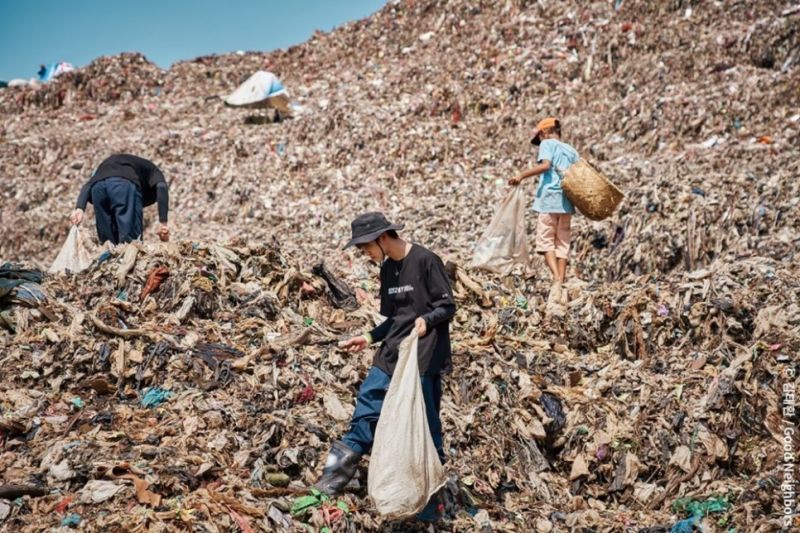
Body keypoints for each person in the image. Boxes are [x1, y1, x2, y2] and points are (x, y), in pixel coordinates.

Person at [314, 212, 456, 522]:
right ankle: (331, 482)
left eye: (365, 247)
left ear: (382, 238)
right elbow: (394, 320)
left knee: (425, 428)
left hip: (422, 358)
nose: (365, 254)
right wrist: (366, 337)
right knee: (367, 406)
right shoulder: (388, 269)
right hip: (392, 353)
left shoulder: (425, 260)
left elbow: (447, 306)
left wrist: (426, 321)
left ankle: (431, 506)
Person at [508, 117, 579, 312]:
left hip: (549, 200)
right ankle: (562, 282)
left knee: (546, 241)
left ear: (544, 133)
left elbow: (546, 165)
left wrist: (521, 175)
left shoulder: (547, 144)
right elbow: (580, 174)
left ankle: (556, 278)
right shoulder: (571, 150)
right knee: (562, 243)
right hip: (567, 203)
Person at [69, 154, 170, 244]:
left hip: (98, 189)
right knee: (131, 243)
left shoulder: (110, 164)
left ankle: (111, 263)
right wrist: (163, 223)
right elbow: (161, 187)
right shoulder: (153, 170)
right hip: (123, 185)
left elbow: (88, 185)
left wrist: (79, 208)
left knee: (107, 244)